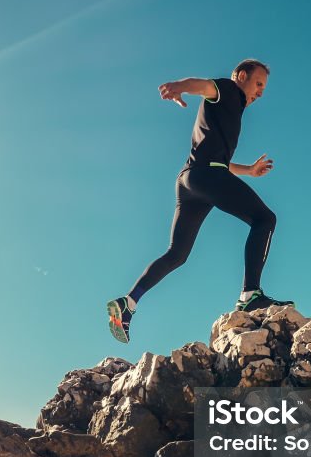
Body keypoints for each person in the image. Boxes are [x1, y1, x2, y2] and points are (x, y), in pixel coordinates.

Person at [107, 58, 292, 344]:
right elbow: (203, 85)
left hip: (191, 179)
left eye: (263, 89)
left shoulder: (230, 111)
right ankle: (250, 295)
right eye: (258, 84)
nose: (260, 92)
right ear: (241, 76)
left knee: (177, 254)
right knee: (265, 219)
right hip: (205, 176)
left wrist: (249, 171)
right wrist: (178, 87)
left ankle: (128, 303)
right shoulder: (229, 90)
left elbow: (222, 162)